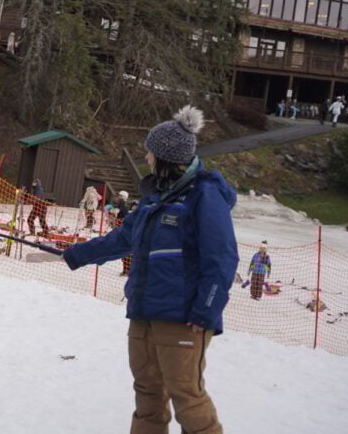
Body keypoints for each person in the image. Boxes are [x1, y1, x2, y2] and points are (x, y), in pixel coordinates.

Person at [62, 105, 236, 434]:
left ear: (167, 158)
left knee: (188, 397)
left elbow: (222, 259)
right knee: (147, 394)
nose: (146, 159)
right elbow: (123, 238)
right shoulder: (154, 199)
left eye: (150, 154)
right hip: (143, 312)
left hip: (183, 317)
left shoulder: (204, 196)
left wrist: (206, 311)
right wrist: (76, 254)